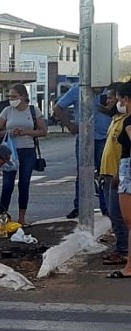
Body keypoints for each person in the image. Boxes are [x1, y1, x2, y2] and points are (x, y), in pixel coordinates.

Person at [54, 82, 115, 219]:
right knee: (82, 173)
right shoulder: (78, 89)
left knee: (105, 173)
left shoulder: (109, 89)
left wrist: (110, 109)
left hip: (104, 137)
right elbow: (58, 107)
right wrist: (69, 125)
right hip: (84, 138)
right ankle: (79, 206)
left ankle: (106, 206)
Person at [0, 84, 48, 226]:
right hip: (10, 152)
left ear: (23, 97)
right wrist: (9, 132)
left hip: (28, 150)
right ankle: (3, 217)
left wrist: (27, 132)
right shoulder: (7, 111)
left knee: (24, 184)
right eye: (10, 97)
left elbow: (43, 131)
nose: (11, 100)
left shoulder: (33, 110)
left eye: (14, 97)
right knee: (7, 185)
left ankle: (22, 217)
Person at [99, 82, 128, 266]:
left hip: (118, 175)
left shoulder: (127, 121)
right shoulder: (116, 119)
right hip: (108, 173)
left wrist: (118, 173)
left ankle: (123, 250)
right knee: (112, 212)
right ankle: (121, 247)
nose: (110, 101)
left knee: (118, 214)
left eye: (113, 98)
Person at [108, 82, 131, 279]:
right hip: (125, 169)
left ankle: (129, 265)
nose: (119, 103)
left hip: (128, 170)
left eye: (120, 99)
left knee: (128, 220)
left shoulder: (129, 121)